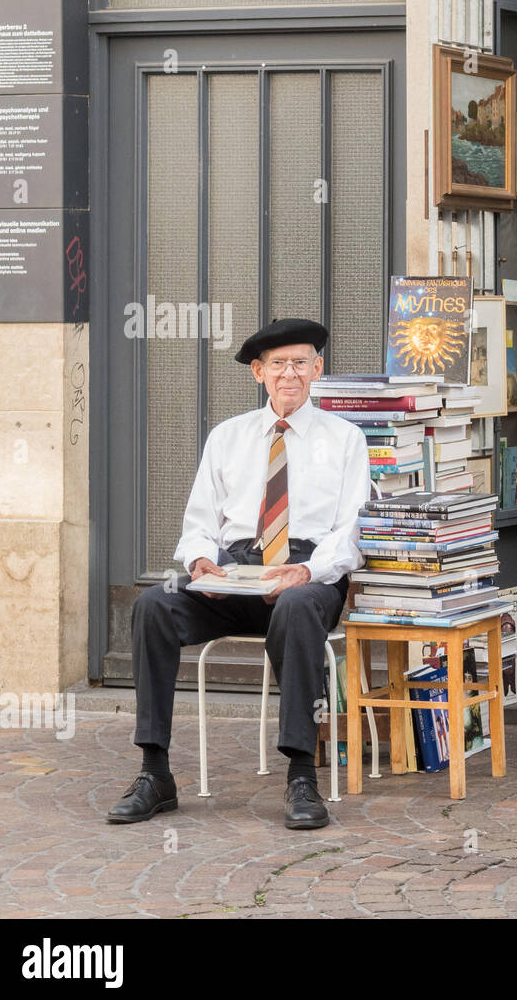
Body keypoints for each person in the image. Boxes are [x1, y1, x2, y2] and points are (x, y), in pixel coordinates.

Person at [107, 318, 369, 830]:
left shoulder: (346, 439)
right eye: (277, 364)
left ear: (317, 369)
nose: (288, 374)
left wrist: (307, 570)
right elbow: (200, 522)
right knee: (153, 605)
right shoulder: (227, 437)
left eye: (299, 362)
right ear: (257, 372)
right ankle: (155, 772)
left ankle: (300, 775)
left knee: (295, 605)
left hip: (309, 575)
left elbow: (352, 532)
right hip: (238, 573)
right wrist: (202, 561)